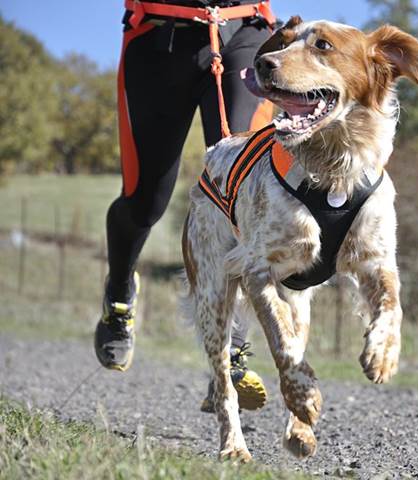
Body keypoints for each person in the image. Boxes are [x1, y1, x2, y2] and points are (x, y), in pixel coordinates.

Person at [94, 0, 274, 411]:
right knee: (145, 201)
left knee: (240, 193)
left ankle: (232, 348)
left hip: (243, 32)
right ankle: (119, 294)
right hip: (159, 37)